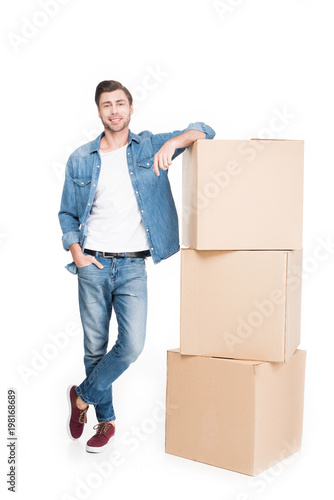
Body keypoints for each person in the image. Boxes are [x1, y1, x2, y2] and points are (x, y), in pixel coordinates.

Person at [58, 80, 215, 453]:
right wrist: (77, 253)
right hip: (92, 262)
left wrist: (175, 143)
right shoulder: (81, 158)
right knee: (95, 346)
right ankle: (106, 421)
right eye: (106, 105)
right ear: (98, 111)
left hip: (132, 267)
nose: (114, 110)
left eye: (120, 103)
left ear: (131, 108)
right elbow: (66, 213)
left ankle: (80, 397)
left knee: (130, 346)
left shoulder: (150, 144)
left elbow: (205, 130)